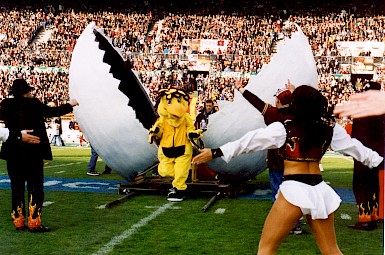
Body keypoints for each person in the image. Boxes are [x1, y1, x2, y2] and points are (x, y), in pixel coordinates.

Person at [192, 85, 383, 254]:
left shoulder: (284, 128)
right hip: (320, 192)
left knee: (266, 248)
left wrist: (216, 152)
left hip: (294, 191)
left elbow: (249, 142)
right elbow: (358, 149)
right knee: (331, 250)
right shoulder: (330, 129)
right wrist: (378, 161)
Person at [0, 78, 79, 233]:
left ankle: (18, 220)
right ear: (26, 91)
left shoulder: (5, 104)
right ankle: (34, 221)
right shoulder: (34, 104)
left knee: (16, 187)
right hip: (32, 151)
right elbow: (53, 112)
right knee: (35, 187)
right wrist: (71, 104)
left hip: (13, 152)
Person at [234, 79, 302, 233]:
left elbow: (257, 103)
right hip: (296, 161)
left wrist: (241, 89)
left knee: (278, 193)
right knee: (295, 192)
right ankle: (295, 223)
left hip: (278, 161)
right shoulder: (299, 114)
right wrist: (295, 91)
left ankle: (284, 224)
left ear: (278, 101)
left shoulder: (274, 114)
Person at [348, 82, 384, 230]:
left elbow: (357, 134)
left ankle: (365, 219)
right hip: (379, 154)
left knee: (361, 185)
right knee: (373, 185)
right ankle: (374, 215)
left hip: (364, 153)